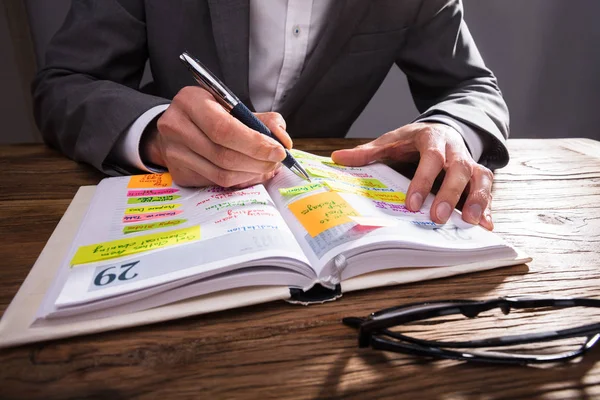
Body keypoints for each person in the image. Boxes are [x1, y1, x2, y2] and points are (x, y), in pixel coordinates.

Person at [32, 0, 509, 231]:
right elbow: (64, 83)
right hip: (177, 205)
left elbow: (472, 86)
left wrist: (449, 129)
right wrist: (155, 131)